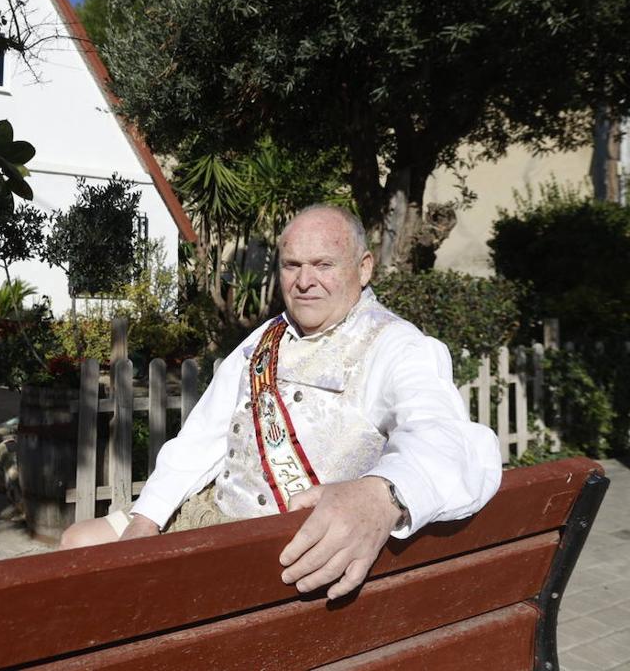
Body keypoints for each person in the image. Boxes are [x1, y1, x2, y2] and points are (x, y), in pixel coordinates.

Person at [59, 204, 502, 600]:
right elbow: (202, 437)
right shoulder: (264, 339)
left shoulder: (397, 347)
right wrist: (148, 517)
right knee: (79, 544)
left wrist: (383, 496)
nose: (305, 281)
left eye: (323, 264)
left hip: (283, 553)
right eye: (292, 265)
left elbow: (447, 439)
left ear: (364, 268)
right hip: (217, 518)